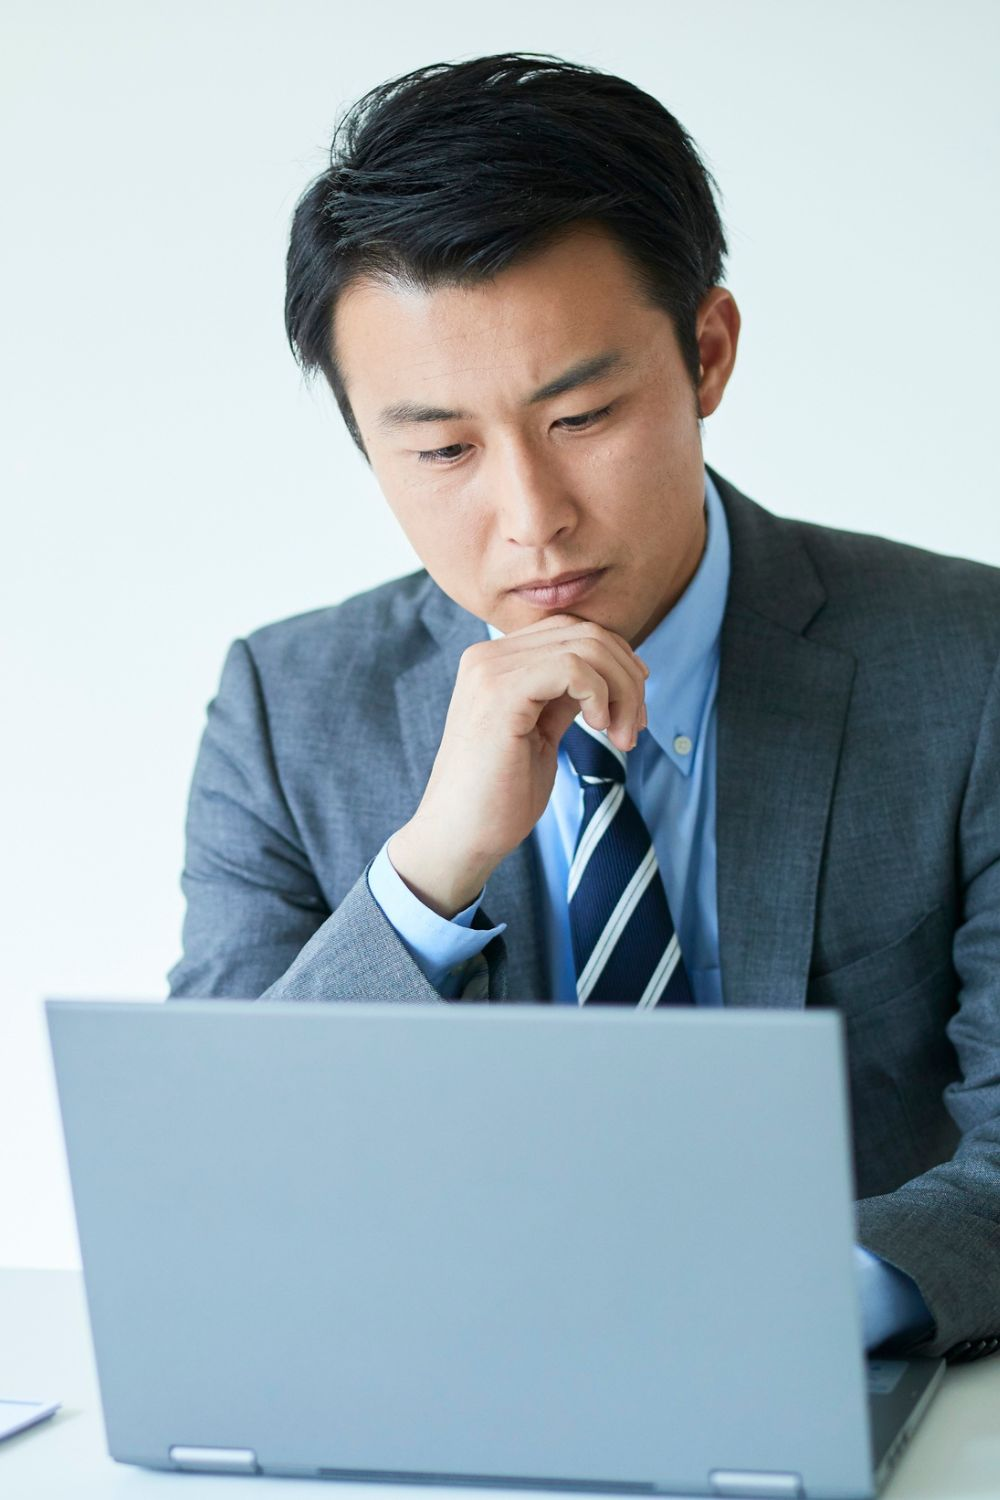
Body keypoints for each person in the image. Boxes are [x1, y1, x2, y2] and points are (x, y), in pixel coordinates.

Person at [167, 52, 1000, 1366]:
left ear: (708, 352)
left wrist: (780, 1319)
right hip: (439, 1393)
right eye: (441, 449)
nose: (531, 517)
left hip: (857, 1379)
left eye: (585, 415)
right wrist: (428, 872)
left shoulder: (971, 663)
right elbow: (211, 1181)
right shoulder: (284, 707)